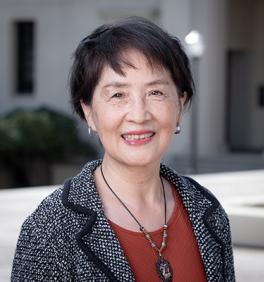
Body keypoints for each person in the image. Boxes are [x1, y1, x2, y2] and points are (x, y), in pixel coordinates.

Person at [12, 17, 235, 281]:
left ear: (179, 105)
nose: (139, 115)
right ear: (89, 112)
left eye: (156, 93)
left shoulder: (206, 210)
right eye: (118, 95)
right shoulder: (50, 228)